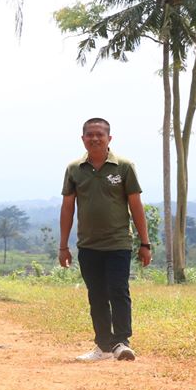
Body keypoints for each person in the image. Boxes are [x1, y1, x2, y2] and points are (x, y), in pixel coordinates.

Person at [59, 117, 151, 362]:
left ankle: (122, 342)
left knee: (118, 291)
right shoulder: (74, 170)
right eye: (90, 135)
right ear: (83, 139)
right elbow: (67, 208)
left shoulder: (124, 167)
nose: (95, 138)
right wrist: (63, 246)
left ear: (109, 138)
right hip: (88, 245)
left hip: (118, 243)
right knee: (96, 294)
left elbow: (136, 205)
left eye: (100, 134)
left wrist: (145, 243)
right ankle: (103, 346)